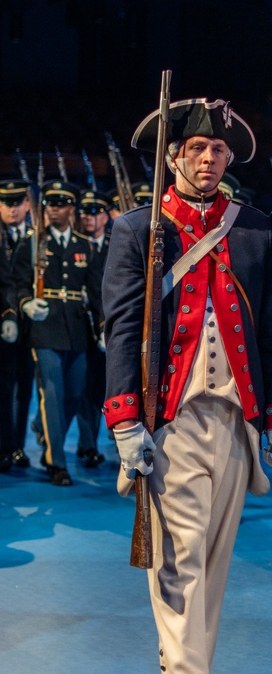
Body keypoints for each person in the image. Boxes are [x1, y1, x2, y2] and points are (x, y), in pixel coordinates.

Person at [101, 98, 272, 674]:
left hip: (236, 418)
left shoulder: (254, 227)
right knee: (178, 559)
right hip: (172, 415)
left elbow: (268, 330)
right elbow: (125, 327)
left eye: (219, 152)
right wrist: (125, 419)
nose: (209, 160)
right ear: (173, 156)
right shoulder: (139, 229)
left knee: (213, 561)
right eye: (197, 150)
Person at [13, 179, 102, 485]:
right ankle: (56, 462)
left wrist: (102, 325)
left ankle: (44, 429)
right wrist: (26, 303)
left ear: (71, 209)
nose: (54, 209)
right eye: (50, 204)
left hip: (76, 327)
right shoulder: (33, 242)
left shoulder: (84, 246)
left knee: (75, 393)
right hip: (44, 326)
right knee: (52, 391)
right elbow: (20, 282)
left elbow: (95, 290)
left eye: (61, 204)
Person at [76, 188, 113, 468]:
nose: (88, 217)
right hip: (80, 325)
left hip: (109, 326)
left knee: (103, 387)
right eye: (85, 212)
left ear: (105, 215)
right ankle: (87, 444)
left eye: (95, 211)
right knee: (84, 389)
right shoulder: (75, 245)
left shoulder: (114, 243)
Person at [0, 176, 34, 470]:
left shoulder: (37, 238)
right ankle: (5, 446)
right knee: (3, 387)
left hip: (30, 326)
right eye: (5, 203)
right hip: (2, 322)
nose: (11, 209)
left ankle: (18, 445)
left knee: (24, 387)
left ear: (26, 204)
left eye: (16, 203)